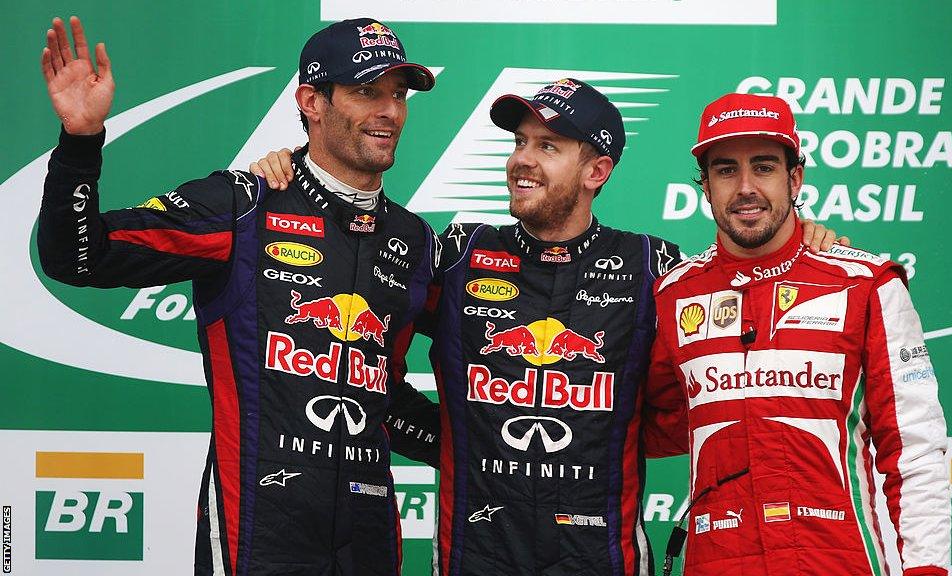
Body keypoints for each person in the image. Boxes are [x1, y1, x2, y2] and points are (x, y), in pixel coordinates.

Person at [253, 80, 844, 575]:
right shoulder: (459, 254)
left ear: (597, 171)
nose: (522, 160)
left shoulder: (653, 267)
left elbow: (732, 358)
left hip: (600, 558)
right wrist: (298, 179)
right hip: (475, 557)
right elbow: (361, 354)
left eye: (549, 146)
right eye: (520, 142)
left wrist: (808, 240)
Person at [37, 15, 441, 576]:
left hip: (369, 532)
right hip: (258, 521)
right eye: (366, 91)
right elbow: (77, 257)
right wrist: (81, 142)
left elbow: (384, 401)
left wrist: (478, 447)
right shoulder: (243, 206)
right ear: (311, 102)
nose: (390, 111)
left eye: (398, 95)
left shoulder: (414, 241)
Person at [645, 92, 950, 575]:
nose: (745, 187)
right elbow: (640, 428)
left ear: (795, 178)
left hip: (837, 559)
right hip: (719, 562)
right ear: (704, 186)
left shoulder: (866, 285)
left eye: (763, 167)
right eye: (726, 170)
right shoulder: (670, 295)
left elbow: (914, 447)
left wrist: (927, 570)